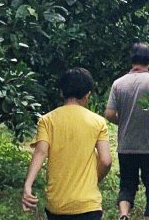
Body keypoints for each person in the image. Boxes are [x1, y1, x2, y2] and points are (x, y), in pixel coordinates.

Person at [22, 68, 112, 220]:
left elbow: (40, 152)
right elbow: (105, 160)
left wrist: (28, 185)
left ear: (61, 93)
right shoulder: (98, 122)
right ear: (87, 94)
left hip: (57, 205)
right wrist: (94, 180)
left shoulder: (47, 120)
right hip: (88, 205)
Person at [105, 42, 149, 220]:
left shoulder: (118, 84)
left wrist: (124, 120)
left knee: (127, 184)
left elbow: (109, 113)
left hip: (126, 146)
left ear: (132, 60)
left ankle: (124, 214)